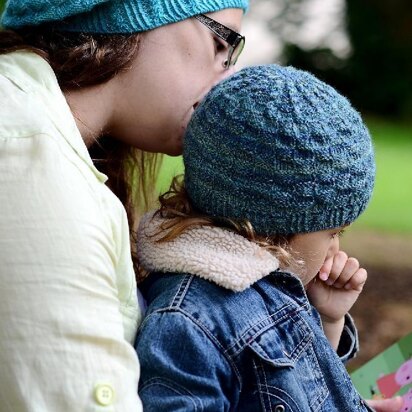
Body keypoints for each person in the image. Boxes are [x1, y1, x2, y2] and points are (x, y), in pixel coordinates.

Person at [0, 0, 248, 410]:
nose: (227, 78)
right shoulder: (32, 161)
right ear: (139, 14)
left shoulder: (39, 132)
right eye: (222, 43)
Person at [135, 64, 400, 411]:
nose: (336, 248)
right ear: (276, 225)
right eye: (332, 232)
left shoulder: (272, 287)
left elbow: (303, 387)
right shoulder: (187, 324)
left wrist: (329, 318)